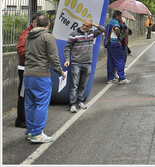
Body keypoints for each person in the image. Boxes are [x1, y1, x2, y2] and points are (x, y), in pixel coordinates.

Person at [24, 14, 67, 143]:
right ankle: (38, 134)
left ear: (35, 23)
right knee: (41, 104)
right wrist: (60, 72)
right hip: (41, 75)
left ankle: (31, 131)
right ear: (48, 24)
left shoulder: (28, 36)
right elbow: (53, 58)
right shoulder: (48, 37)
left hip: (28, 74)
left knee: (30, 104)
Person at [64, 18, 105, 113]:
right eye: (83, 25)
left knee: (83, 84)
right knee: (74, 85)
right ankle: (73, 104)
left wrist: (95, 24)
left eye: (87, 26)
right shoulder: (74, 34)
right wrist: (67, 59)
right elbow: (67, 48)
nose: (84, 27)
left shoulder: (92, 34)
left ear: (90, 27)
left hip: (87, 63)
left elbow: (103, 29)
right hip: (76, 63)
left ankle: (80, 101)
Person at [15, 13, 40, 129]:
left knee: (30, 95)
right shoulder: (26, 34)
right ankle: (20, 119)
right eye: (39, 22)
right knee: (23, 94)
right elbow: (21, 50)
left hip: (33, 68)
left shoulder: (37, 33)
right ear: (33, 23)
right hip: (25, 68)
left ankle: (28, 118)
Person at [104, 10, 131, 85]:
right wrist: (120, 35)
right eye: (120, 16)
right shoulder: (115, 22)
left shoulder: (109, 22)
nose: (121, 17)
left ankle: (110, 78)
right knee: (120, 61)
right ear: (117, 16)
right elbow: (116, 29)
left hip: (109, 44)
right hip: (115, 44)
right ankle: (121, 78)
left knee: (110, 61)